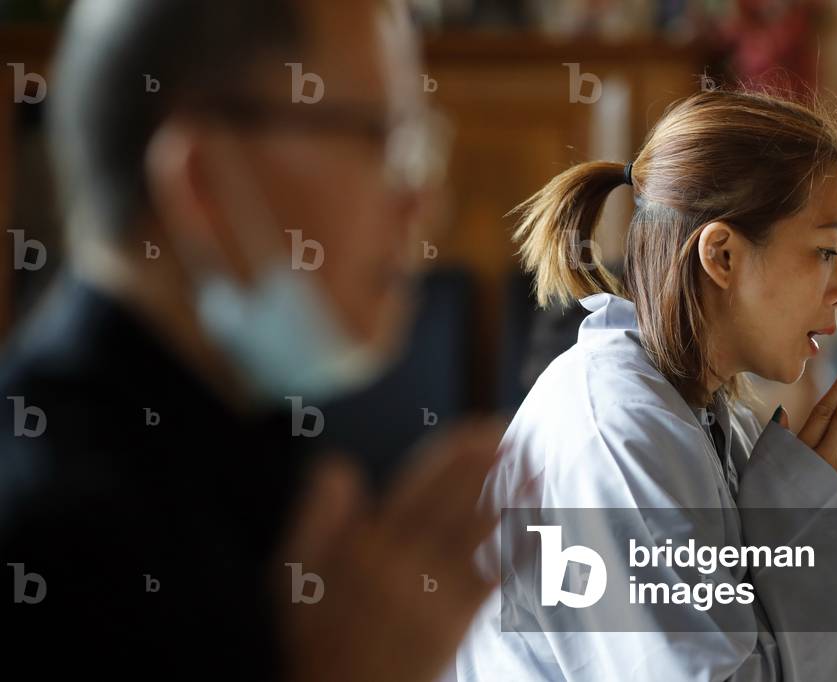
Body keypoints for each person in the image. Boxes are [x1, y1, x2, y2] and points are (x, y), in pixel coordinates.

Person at [0, 1, 503, 680]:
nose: (422, 201)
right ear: (202, 180)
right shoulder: (60, 535)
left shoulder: (242, 454)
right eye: (381, 138)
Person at [457, 89, 837, 681]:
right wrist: (814, 539)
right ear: (721, 255)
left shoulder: (717, 419)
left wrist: (811, 526)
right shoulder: (617, 435)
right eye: (826, 251)